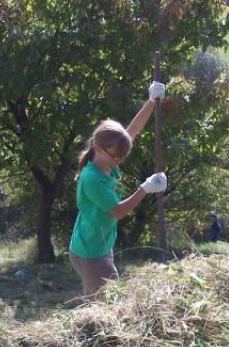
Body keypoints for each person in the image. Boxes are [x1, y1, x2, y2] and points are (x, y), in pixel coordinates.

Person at [68, 81, 168, 299]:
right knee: (113, 304)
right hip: (90, 254)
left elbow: (130, 132)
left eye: (121, 156)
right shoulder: (93, 178)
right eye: (115, 156)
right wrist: (145, 188)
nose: (118, 160)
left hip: (98, 246)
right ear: (97, 149)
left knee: (96, 305)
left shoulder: (106, 162)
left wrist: (150, 102)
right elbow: (118, 211)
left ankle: (88, 333)